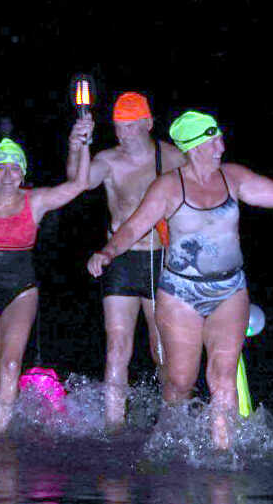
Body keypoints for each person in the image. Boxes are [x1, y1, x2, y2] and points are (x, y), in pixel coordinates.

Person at [87, 110, 273, 449]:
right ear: (193, 146)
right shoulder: (169, 186)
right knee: (179, 381)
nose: (221, 146)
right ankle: (171, 443)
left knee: (222, 378)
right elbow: (133, 226)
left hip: (230, 290)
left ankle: (223, 456)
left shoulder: (232, 177)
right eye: (213, 140)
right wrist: (108, 252)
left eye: (219, 138)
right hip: (180, 293)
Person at [0, 131, 91, 433]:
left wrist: (82, 144)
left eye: (15, 167)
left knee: (12, 366)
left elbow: (79, 184)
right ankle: (5, 415)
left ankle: (0, 442)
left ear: (23, 172)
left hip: (21, 291)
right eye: (1, 166)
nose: (8, 173)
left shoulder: (35, 200)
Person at [66, 92, 186, 431]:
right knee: (117, 346)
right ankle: (113, 426)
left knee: (160, 346)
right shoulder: (109, 159)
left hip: (162, 259)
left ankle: (171, 424)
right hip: (119, 259)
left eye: (132, 127)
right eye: (119, 127)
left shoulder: (173, 157)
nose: (124, 134)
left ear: (148, 123)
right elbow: (80, 181)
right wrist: (77, 146)